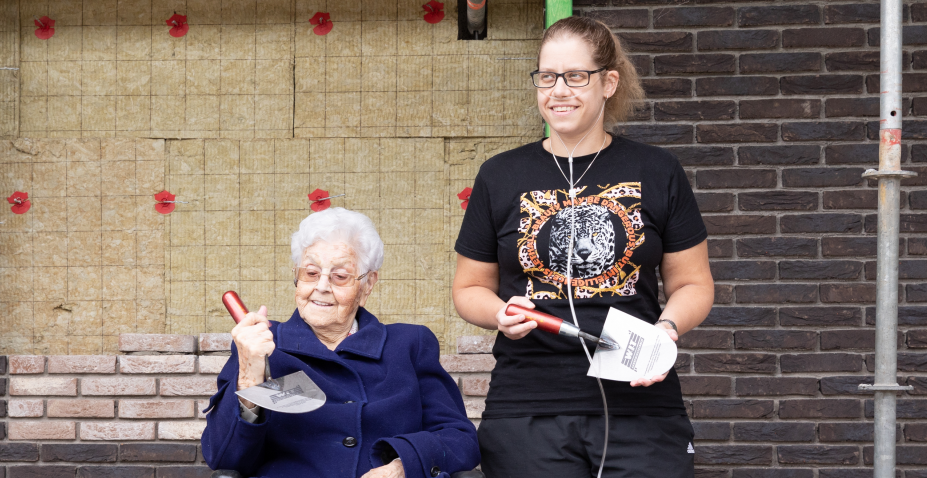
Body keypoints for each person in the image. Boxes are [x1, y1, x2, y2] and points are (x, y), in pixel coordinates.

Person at [452, 16, 714, 478]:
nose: (559, 91)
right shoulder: (499, 175)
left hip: (641, 403)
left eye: (576, 76)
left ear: (608, 82)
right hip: (528, 406)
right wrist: (499, 315)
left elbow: (693, 283)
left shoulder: (657, 169)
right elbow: (469, 287)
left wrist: (665, 331)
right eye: (547, 77)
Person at [202, 208, 480, 478]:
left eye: (340, 276)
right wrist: (250, 376)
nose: (321, 286)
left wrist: (403, 466)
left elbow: (459, 439)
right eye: (310, 273)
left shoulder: (409, 344)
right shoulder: (262, 346)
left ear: (368, 284)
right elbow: (225, 458)